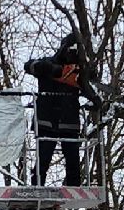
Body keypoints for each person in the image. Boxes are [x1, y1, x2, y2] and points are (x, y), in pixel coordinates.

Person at [23, 34, 91, 185]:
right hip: (46, 120)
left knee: (73, 160)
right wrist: (45, 68)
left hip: (69, 121)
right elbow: (28, 66)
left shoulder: (80, 71)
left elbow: (92, 82)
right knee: (43, 160)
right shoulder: (48, 63)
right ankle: (37, 189)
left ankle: (74, 188)